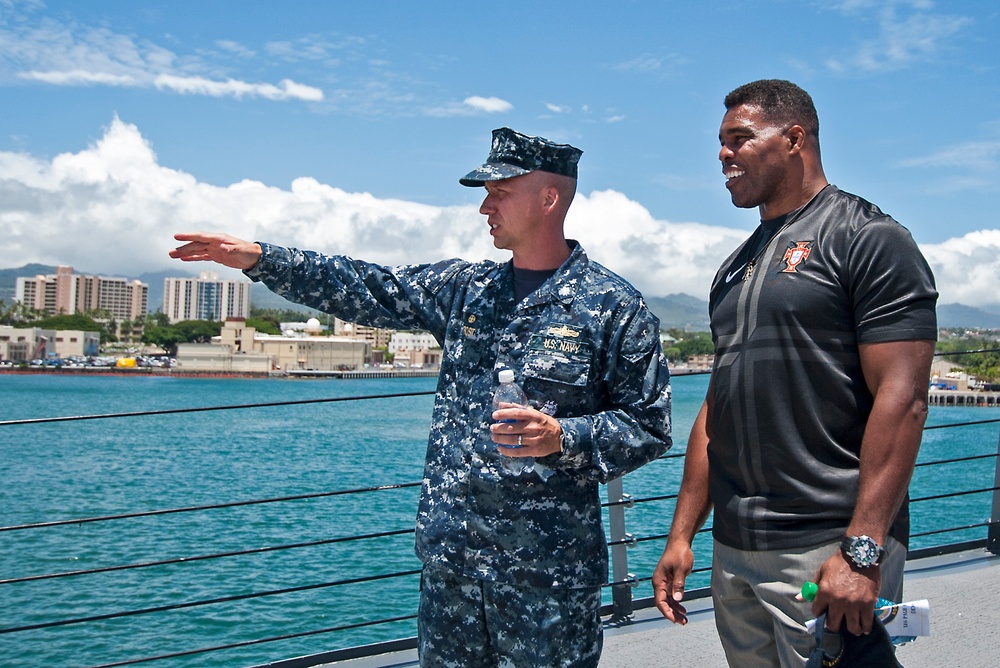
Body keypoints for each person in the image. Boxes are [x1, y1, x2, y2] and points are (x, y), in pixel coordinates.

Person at [170, 127, 673, 667]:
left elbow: (649, 424)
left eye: (499, 192)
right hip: (451, 570)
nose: (484, 206)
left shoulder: (613, 306)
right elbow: (366, 285)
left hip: (546, 576)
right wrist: (261, 258)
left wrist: (563, 437)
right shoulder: (465, 290)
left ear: (548, 198)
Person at [651, 80, 937, 667]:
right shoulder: (736, 267)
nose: (724, 155)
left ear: (794, 138)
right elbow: (717, 406)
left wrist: (862, 552)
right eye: (720, 142)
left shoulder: (867, 238)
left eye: (740, 138)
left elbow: (903, 398)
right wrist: (682, 534)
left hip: (826, 548)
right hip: (736, 553)